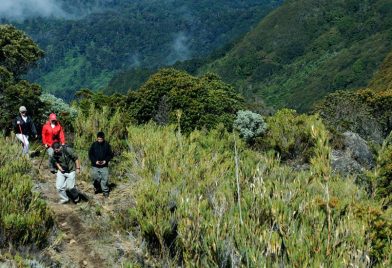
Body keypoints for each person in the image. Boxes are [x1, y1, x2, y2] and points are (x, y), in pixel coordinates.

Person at [89, 131, 113, 197]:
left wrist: (106, 161)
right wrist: (95, 161)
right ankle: (97, 187)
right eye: (98, 139)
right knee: (95, 178)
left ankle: (105, 191)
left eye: (101, 139)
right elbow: (90, 155)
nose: (99, 140)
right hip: (95, 165)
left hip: (104, 165)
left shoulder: (107, 145)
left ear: (103, 138)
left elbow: (110, 155)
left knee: (105, 178)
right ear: (97, 138)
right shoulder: (94, 145)